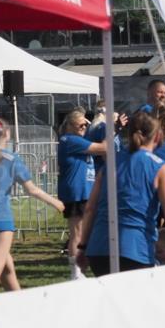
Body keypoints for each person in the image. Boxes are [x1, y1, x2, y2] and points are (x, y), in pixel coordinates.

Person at [77, 111, 165, 276]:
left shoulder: (110, 164)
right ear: (157, 137)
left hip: (99, 248)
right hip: (134, 248)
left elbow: (91, 208)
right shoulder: (160, 167)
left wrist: (83, 246)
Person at [0, 118, 65, 295]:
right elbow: (31, 189)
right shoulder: (11, 159)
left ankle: (19, 302)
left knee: (7, 268)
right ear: (7, 134)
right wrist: (56, 202)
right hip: (0, 220)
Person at [57, 109, 107, 279]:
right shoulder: (69, 140)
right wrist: (108, 126)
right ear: (70, 125)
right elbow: (104, 148)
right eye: (81, 123)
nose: (85, 126)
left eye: (86, 123)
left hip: (86, 191)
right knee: (77, 233)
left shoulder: (80, 140)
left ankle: (82, 269)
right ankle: (76, 272)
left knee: (86, 233)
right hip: (76, 192)